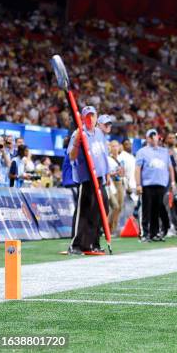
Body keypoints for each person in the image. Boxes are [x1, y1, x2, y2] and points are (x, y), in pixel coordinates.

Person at [67, 106, 110, 255]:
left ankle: (92, 243)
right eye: (87, 116)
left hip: (100, 178)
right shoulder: (79, 133)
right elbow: (71, 156)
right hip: (86, 178)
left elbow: (104, 155)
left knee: (100, 211)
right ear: (83, 118)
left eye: (93, 116)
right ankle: (75, 245)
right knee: (84, 212)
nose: (90, 119)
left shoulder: (99, 133)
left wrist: (107, 174)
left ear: (97, 117)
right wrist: (77, 141)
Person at [135, 129, 176, 242]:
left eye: (155, 136)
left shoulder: (164, 152)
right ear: (147, 138)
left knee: (156, 210)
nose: (153, 138)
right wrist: (138, 184)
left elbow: (170, 167)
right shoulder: (142, 151)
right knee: (146, 210)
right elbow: (138, 169)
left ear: (158, 137)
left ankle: (154, 233)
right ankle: (144, 234)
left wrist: (172, 182)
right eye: (151, 136)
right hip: (147, 184)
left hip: (161, 184)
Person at [107, 140, 125, 236]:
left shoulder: (121, 159)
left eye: (116, 146)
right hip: (111, 183)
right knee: (115, 206)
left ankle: (113, 229)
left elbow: (122, 173)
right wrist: (115, 173)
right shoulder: (108, 159)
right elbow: (106, 173)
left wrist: (122, 174)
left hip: (120, 182)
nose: (115, 148)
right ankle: (107, 228)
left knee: (120, 207)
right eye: (113, 146)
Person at [117, 139, 137, 225]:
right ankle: (119, 229)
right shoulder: (121, 157)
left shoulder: (132, 156)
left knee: (130, 209)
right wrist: (127, 186)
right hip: (125, 186)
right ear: (122, 146)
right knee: (122, 209)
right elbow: (121, 173)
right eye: (126, 144)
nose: (129, 146)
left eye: (130, 144)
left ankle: (127, 228)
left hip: (133, 185)